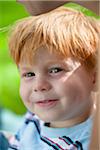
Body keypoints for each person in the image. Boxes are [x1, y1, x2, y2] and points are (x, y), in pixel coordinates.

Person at [7, 3, 99, 150]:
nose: (39, 86)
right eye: (29, 74)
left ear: (95, 77)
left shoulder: (89, 142)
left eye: (55, 70)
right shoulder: (36, 115)